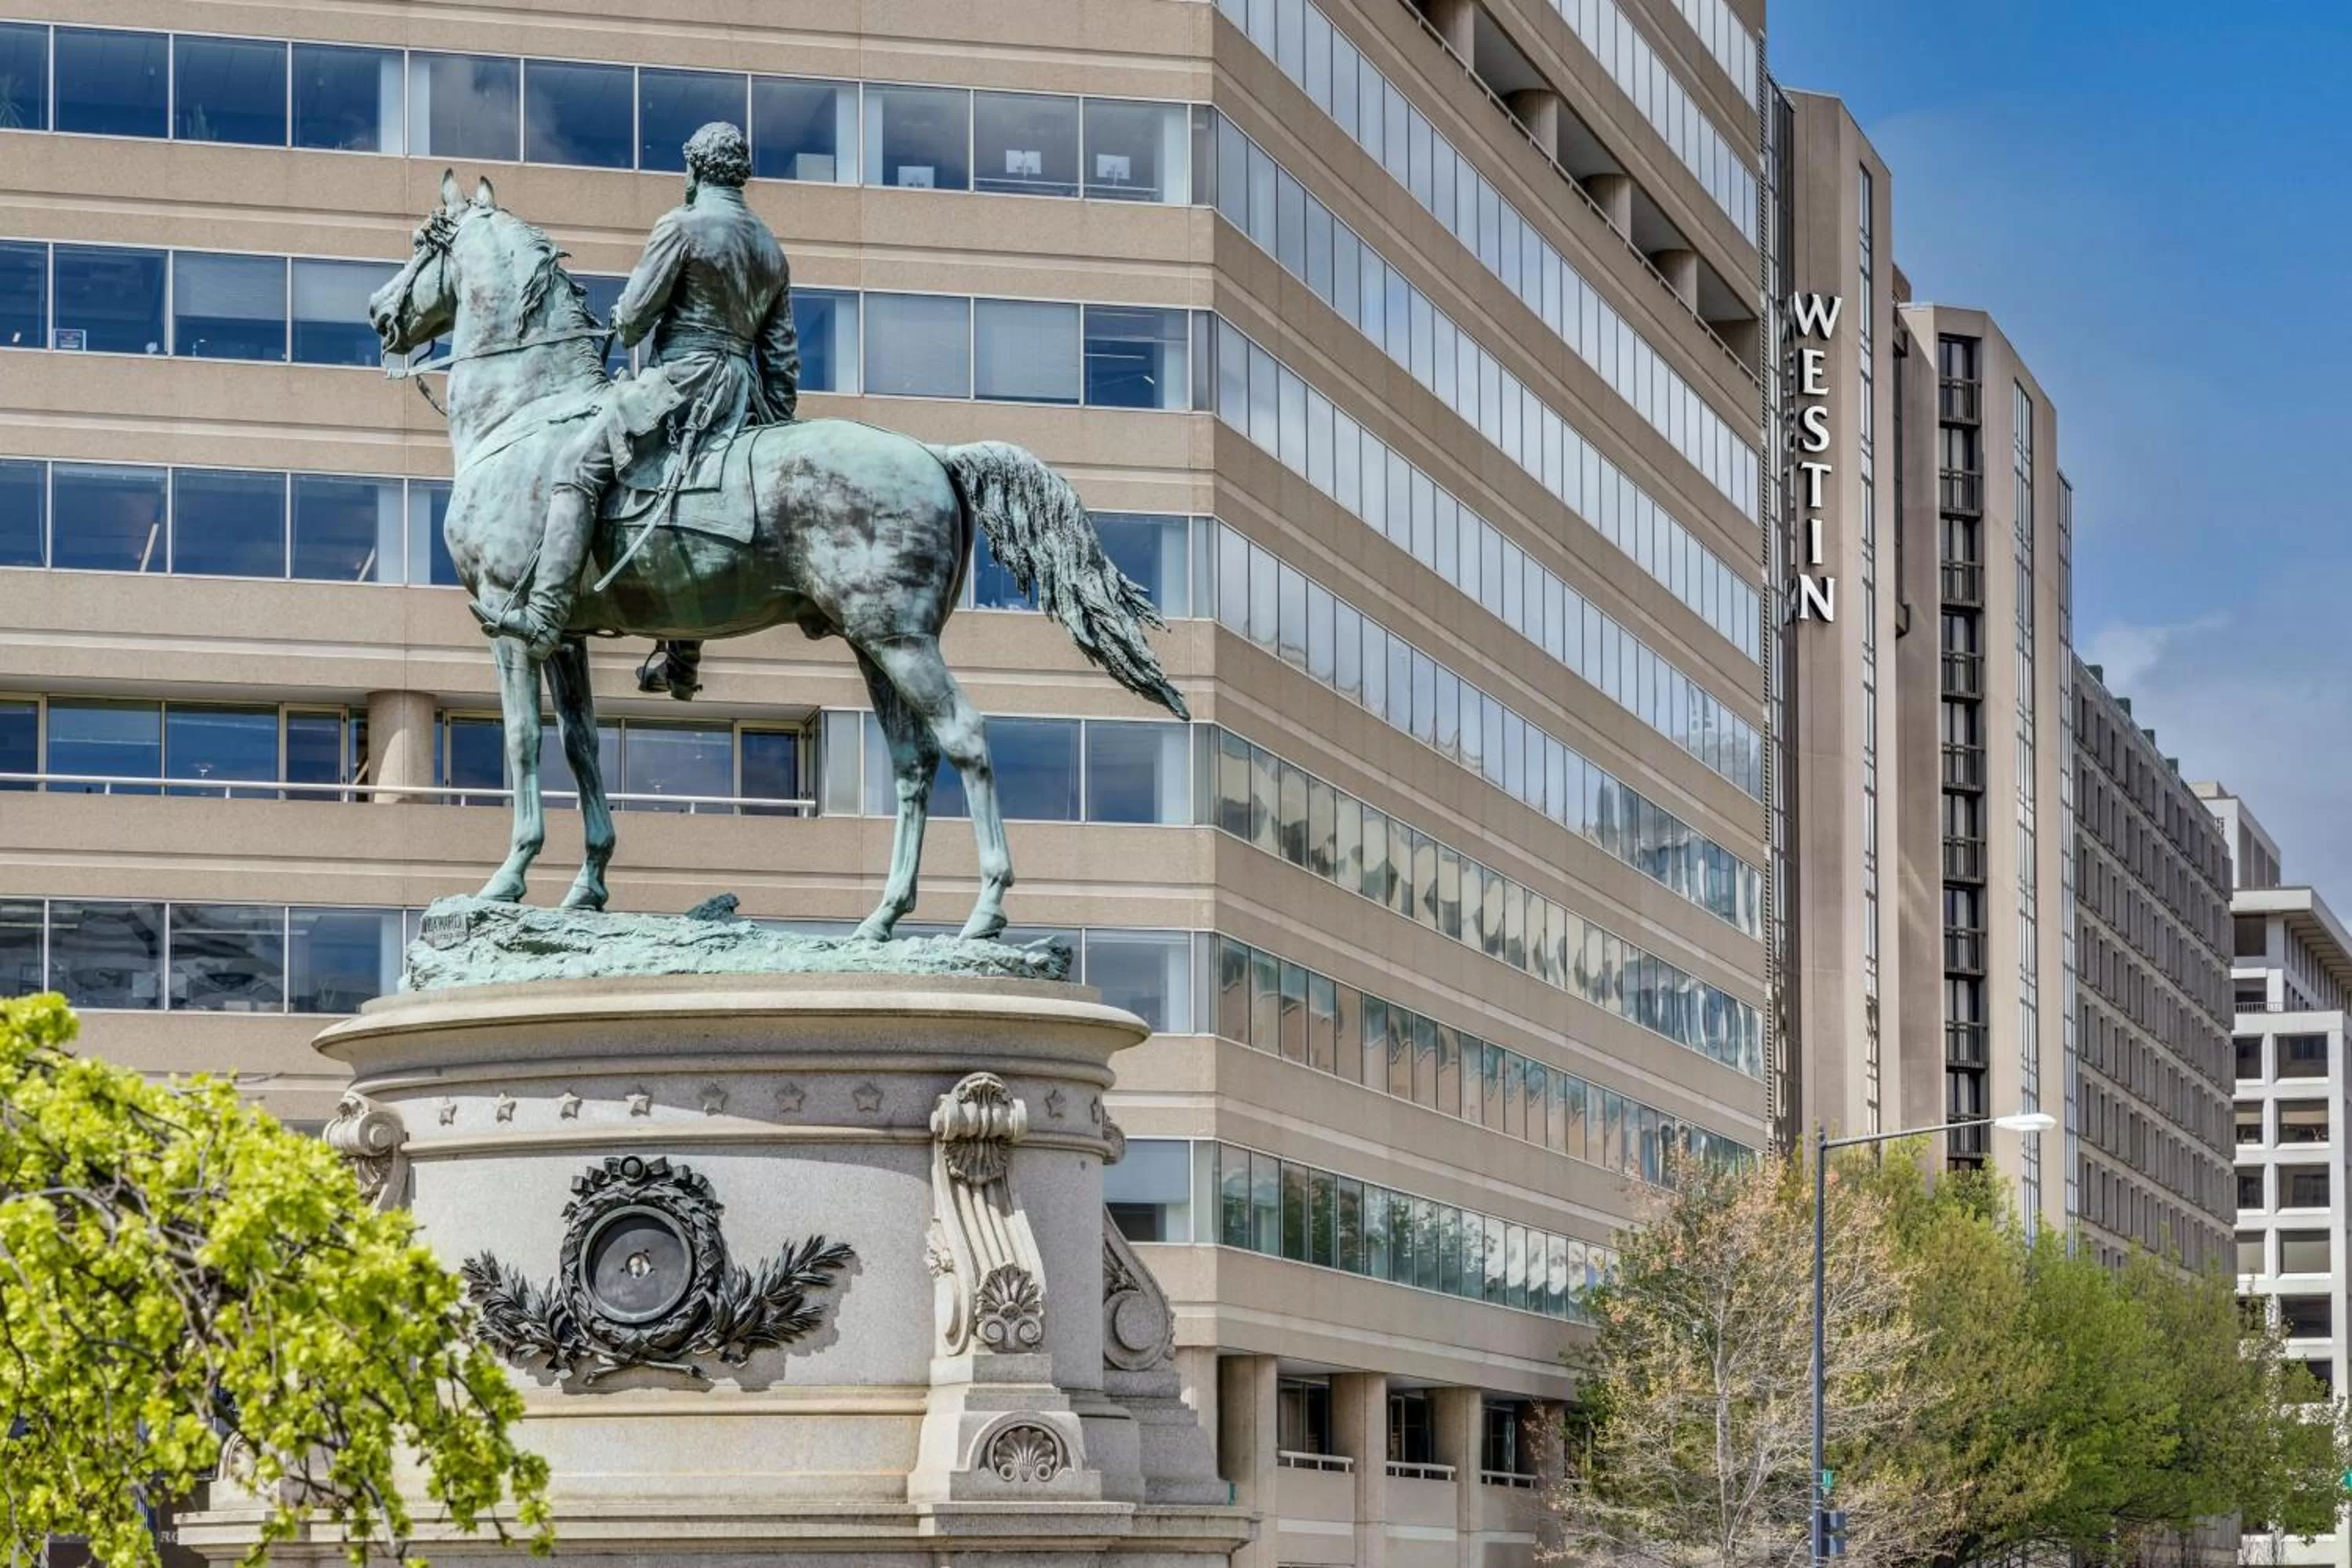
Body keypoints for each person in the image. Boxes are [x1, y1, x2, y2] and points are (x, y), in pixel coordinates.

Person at [481, 121, 798, 696]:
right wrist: (774, 422)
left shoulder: (681, 226)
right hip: (741, 392)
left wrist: (625, 316)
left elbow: (632, 319)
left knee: (578, 468)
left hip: (682, 382)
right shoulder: (771, 249)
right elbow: (781, 357)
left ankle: (545, 613)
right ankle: (683, 659)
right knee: (688, 496)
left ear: (695, 169)